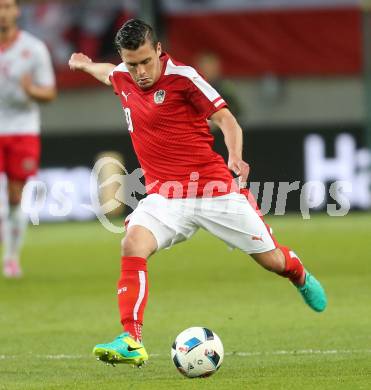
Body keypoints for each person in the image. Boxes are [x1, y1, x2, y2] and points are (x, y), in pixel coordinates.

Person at [69, 19, 327, 368]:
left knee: (272, 261)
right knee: (132, 243)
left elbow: (226, 119)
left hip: (214, 190)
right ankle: (132, 338)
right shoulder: (123, 76)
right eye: (133, 64)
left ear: (158, 50)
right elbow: (107, 73)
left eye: (146, 61)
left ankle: (298, 273)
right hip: (165, 196)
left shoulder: (183, 77)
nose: (141, 71)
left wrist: (235, 155)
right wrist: (84, 65)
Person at [0, 0, 57, 278]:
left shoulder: (33, 49)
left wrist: (31, 90)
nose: (3, 13)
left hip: (23, 128)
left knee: (13, 197)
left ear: (16, 11)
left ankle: (11, 257)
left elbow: (49, 93)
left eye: (7, 6)